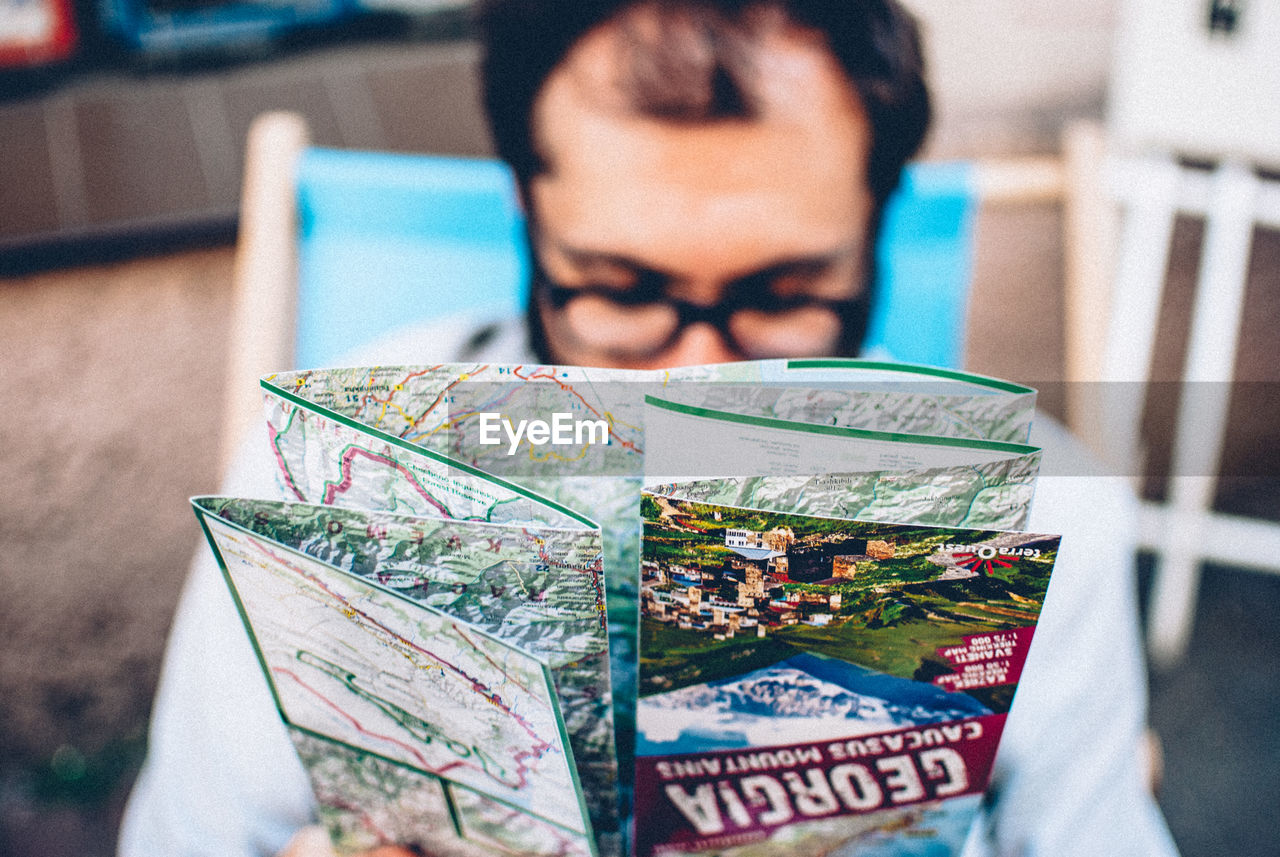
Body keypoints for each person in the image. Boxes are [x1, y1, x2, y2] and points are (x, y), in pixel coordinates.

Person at [118, 1, 1180, 855]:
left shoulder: (1039, 511)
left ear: (874, 228)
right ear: (526, 216)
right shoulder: (329, 470)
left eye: (783, 294)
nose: (694, 382)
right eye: (621, 289)